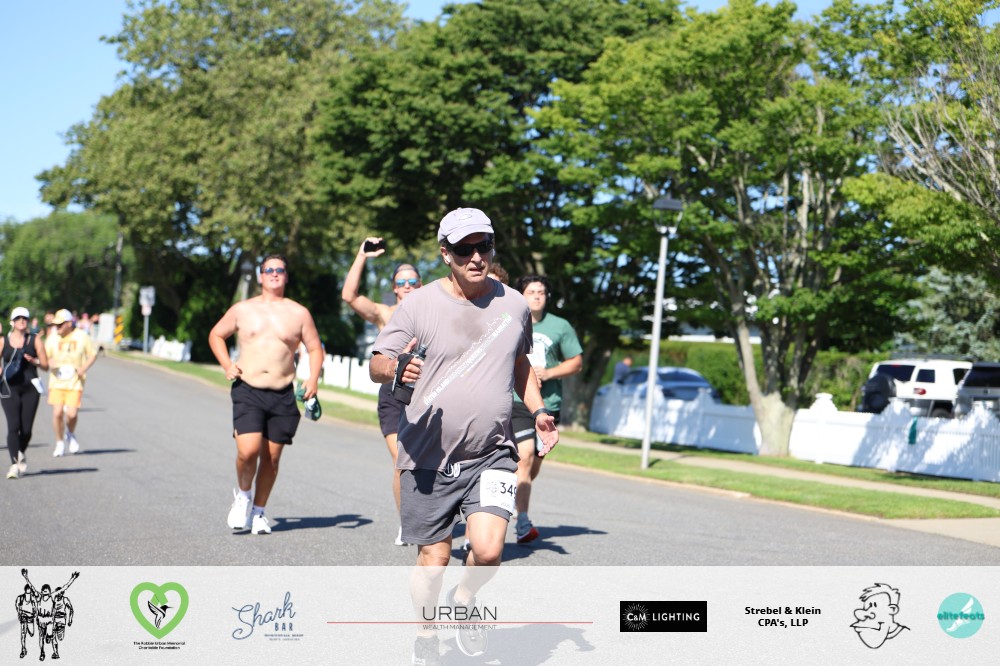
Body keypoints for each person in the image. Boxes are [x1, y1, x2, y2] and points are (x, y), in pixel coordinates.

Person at [370, 207, 558, 664]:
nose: (476, 257)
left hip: (492, 452)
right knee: (433, 562)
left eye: (483, 246)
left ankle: (466, 599)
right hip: (427, 454)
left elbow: (520, 364)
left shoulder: (514, 305)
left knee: (489, 552)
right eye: (463, 249)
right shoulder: (418, 305)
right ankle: (426, 634)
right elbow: (377, 363)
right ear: (445, 253)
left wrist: (538, 411)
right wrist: (396, 368)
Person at [209, 254, 324, 535]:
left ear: (286, 276)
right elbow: (216, 335)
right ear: (261, 276)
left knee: (271, 459)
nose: (274, 273)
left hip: (282, 394)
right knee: (247, 451)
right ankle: (243, 496)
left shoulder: (299, 313)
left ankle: (259, 512)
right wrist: (227, 364)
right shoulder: (242, 309)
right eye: (269, 269)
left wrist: (312, 379)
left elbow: (314, 348)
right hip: (248, 390)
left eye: (280, 270)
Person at [341, 237, 423, 546]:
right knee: (402, 460)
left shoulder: (433, 313)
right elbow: (349, 295)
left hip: (427, 394)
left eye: (412, 281)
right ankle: (407, 522)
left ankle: (429, 517)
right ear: (394, 288)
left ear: (420, 285)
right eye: (401, 282)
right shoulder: (386, 315)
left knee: (425, 463)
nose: (407, 286)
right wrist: (362, 255)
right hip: (393, 395)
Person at [510, 274, 583, 544]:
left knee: (532, 465)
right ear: (521, 295)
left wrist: (549, 373)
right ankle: (523, 520)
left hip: (549, 404)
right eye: (531, 291)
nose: (537, 296)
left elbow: (576, 362)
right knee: (525, 457)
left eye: (541, 292)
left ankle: (516, 497)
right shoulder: (511, 321)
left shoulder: (560, 326)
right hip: (518, 401)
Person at [2, 307, 49, 479]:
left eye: (24, 318)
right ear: (12, 322)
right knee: (13, 426)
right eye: (18, 318)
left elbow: (46, 365)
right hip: (9, 389)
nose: (21, 320)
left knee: (27, 430)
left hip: (30, 389)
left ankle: (20, 452)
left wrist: (35, 361)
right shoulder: (3, 341)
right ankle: (14, 464)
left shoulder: (35, 340)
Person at [44, 309, 97, 457]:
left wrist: (83, 368)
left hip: (75, 381)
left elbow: (93, 354)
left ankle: (70, 434)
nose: (57, 327)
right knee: (57, 413)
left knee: (72, 414)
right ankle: (59, 442)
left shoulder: (82, 336)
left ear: (69, 323)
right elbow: (45, 356)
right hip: (57, 381)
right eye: (56, 325)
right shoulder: (52, 338)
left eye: (60, 324)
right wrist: (50, 362)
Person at [22, 568, 78, 662]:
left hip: (49, 621)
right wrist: (26, 577)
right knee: (41, 638)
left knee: (50, 635)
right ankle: (42, 652)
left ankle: (49, 636)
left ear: (49, 591)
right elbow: (31, 587)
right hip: (40, 620)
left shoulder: (52, 596)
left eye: (47, 590)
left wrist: (72, 578)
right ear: (42, 591)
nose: (45, 592)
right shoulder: (38, 596)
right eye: (44, 590)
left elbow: (64, 587)